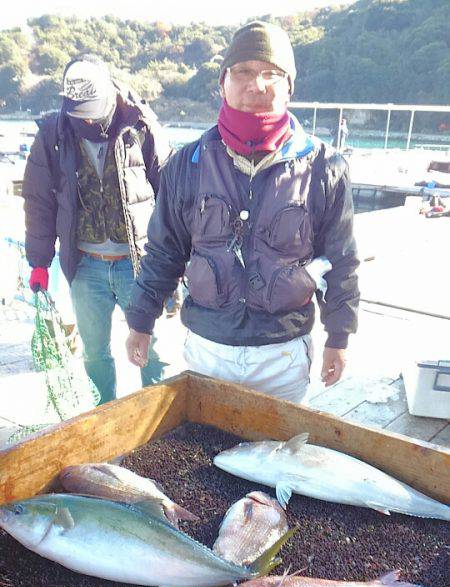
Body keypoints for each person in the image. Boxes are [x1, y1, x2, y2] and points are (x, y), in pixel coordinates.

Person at [125, 21, 359, 403]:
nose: (258, 84)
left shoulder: (325, 167)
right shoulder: (186, 164)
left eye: (272, 74)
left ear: (289, 87)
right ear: (223, 83)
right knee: (202, 454)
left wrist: (339, 336)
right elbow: (165, 251)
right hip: (208, 350)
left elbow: (341, 261)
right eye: (244, 72)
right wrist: (140, 319)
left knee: (278, 454)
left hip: (283, 355)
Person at [23, 54, 172, 405]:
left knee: (154, 352)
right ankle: (104, 421)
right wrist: (40, 262)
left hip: (140, 264)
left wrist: (179, 260)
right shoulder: (52, 134)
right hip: (85, 265)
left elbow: (171, 192)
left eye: (94, 107)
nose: (88, 117)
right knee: (94, 355)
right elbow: (38, 202)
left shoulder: (141, 124)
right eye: (80, 110)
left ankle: (162, 427)